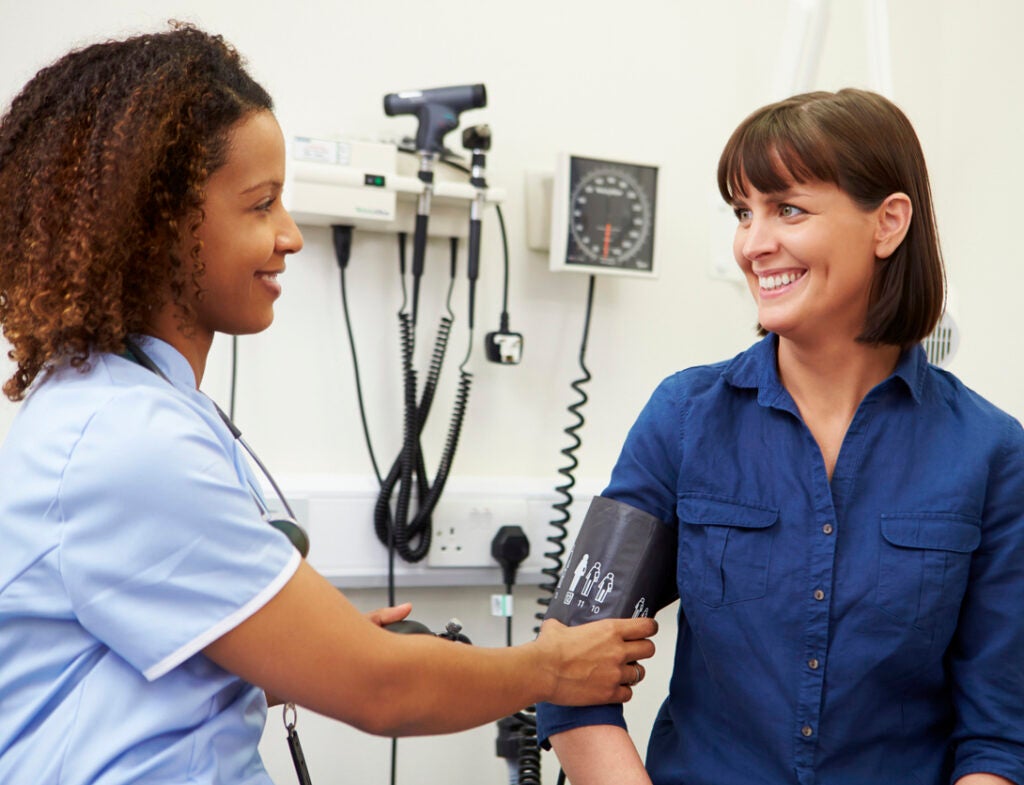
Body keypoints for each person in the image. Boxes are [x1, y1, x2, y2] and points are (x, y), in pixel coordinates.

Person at [0, 24, 658, 785]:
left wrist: (296, 646)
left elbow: (134, 672)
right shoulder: (124, 438)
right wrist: (550, 667)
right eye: (261, 205)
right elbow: (382, 689)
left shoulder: (126, 406)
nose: (290, 236)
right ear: (156, 226)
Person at [537, 89, 1024, 785]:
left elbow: (1001, 738)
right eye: (743, 212)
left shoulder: (991, 453)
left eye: (787, 209)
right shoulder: (683, 418)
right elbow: (565, 671)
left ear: (888, 223)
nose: (752, 244)